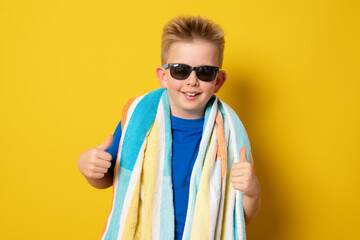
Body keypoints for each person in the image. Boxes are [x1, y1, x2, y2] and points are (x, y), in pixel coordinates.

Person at [77, 15, 260, 239]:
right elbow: (106, 179)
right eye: (180, 70)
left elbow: (240, 217)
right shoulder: (139, 120)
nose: (192, 81)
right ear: (163, 77)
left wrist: (251, 192)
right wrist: (87, 165)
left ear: (218, 81)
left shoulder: (229, 136)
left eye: (204, 72)